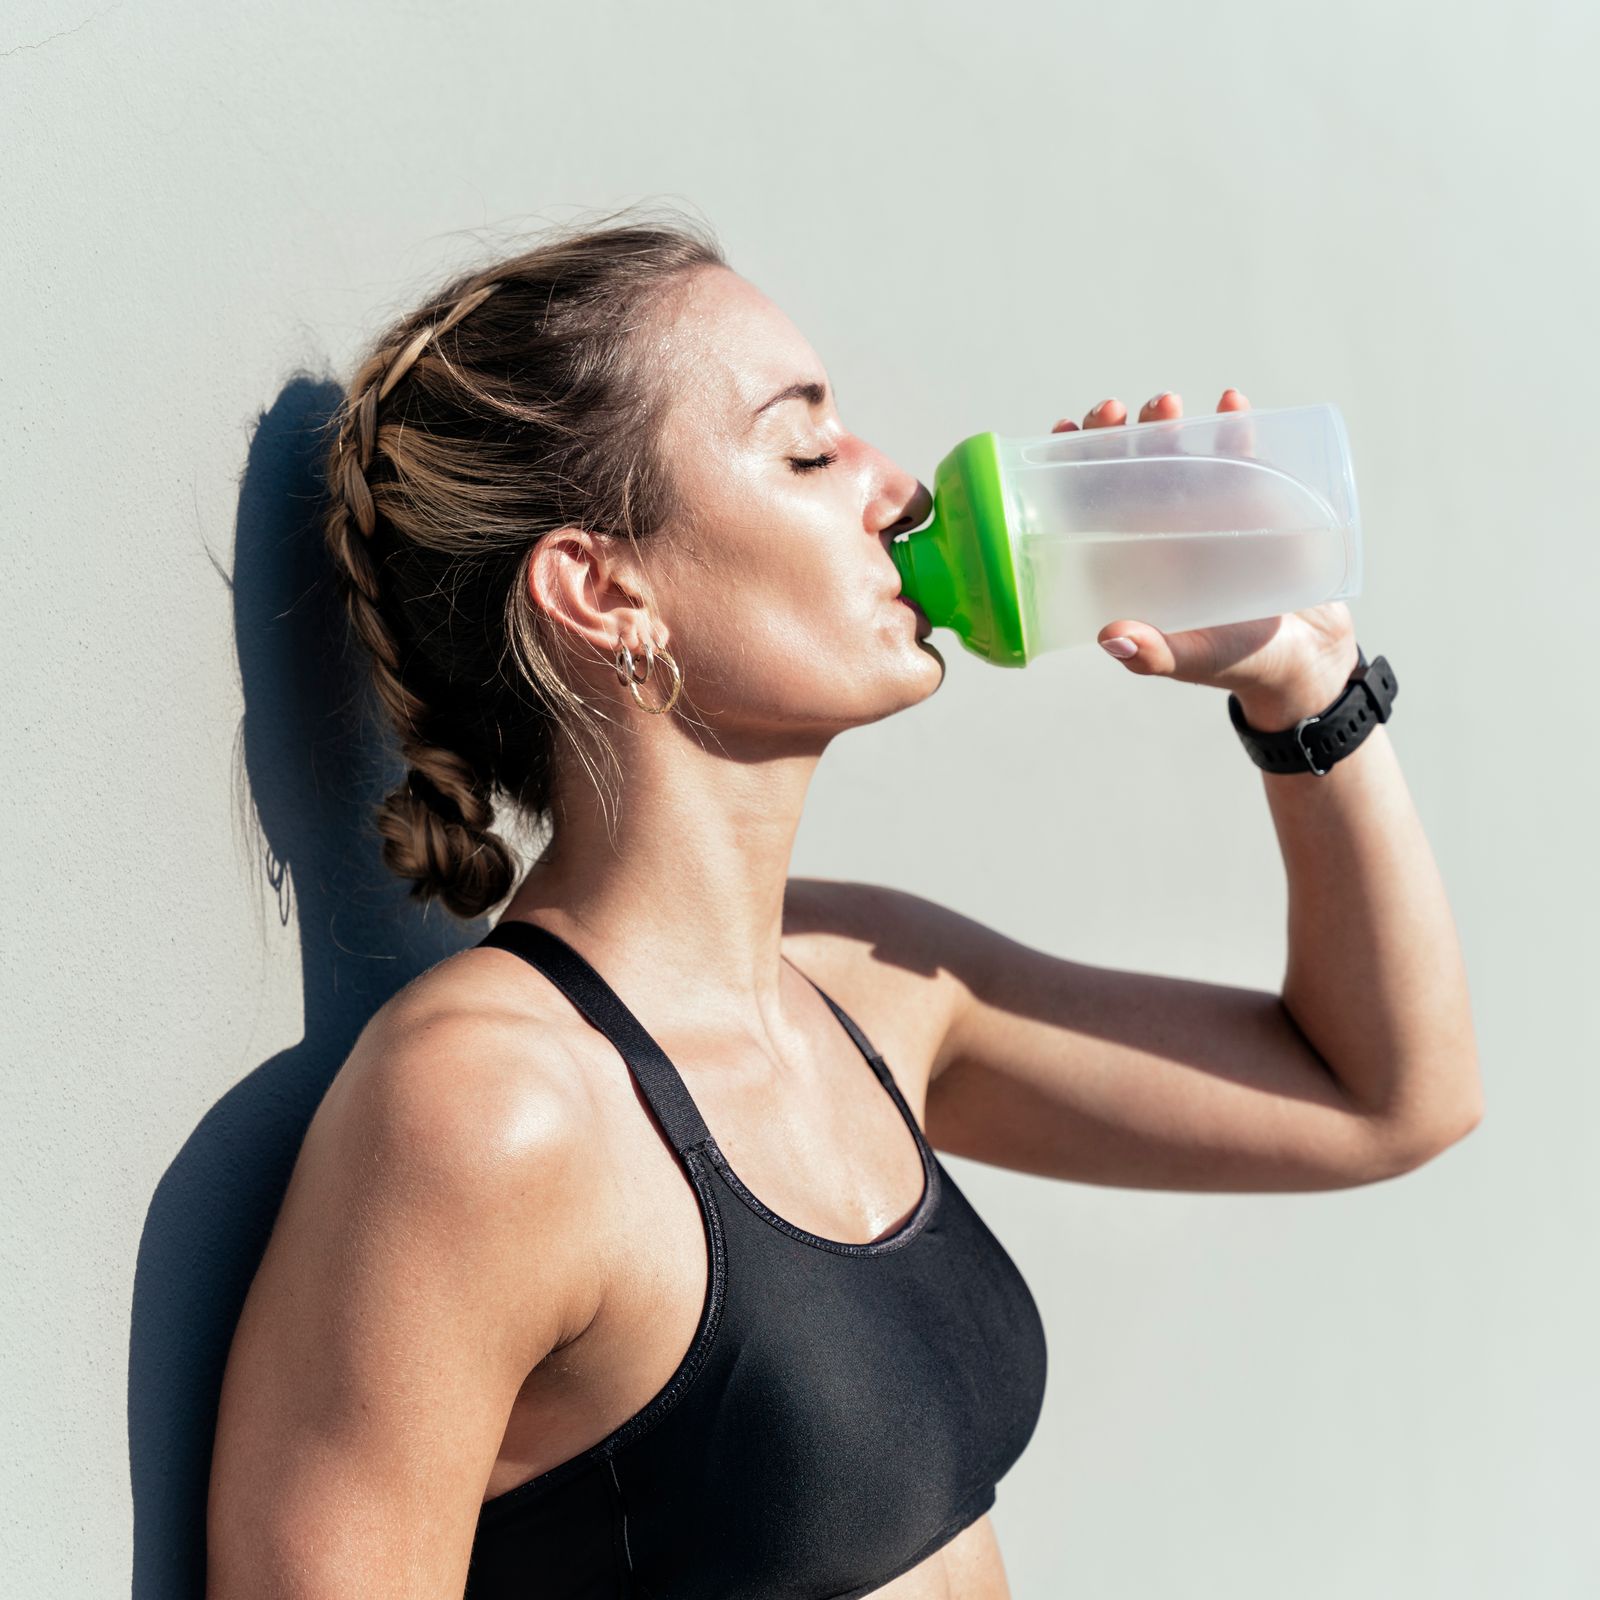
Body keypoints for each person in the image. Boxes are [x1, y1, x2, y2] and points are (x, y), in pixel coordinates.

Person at [206, 206, 1483, 1599]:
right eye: (808, 448)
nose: (897, 486)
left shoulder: (876, 985)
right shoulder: (487, 1112)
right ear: (606, 590)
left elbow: (1382, 1100)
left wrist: (1305, 692)